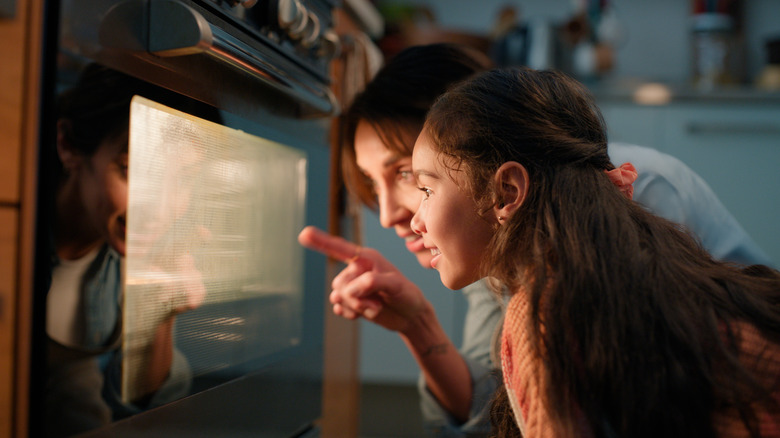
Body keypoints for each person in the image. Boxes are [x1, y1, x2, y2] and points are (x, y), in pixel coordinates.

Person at [299, 44, 775, 437]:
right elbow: (495, 409)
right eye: (370, 183)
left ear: (502, 185)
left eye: (414, 179)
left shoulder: (559, 292)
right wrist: (417, 325)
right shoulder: (528, 251)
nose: (391, 216)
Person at [44, 63, 215, 437]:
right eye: (134, 171)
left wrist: (160, 314)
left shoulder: (124, 259)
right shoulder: (16, 233)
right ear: (68, 146)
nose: (162, 208)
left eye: (183, 179)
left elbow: (143, 409)